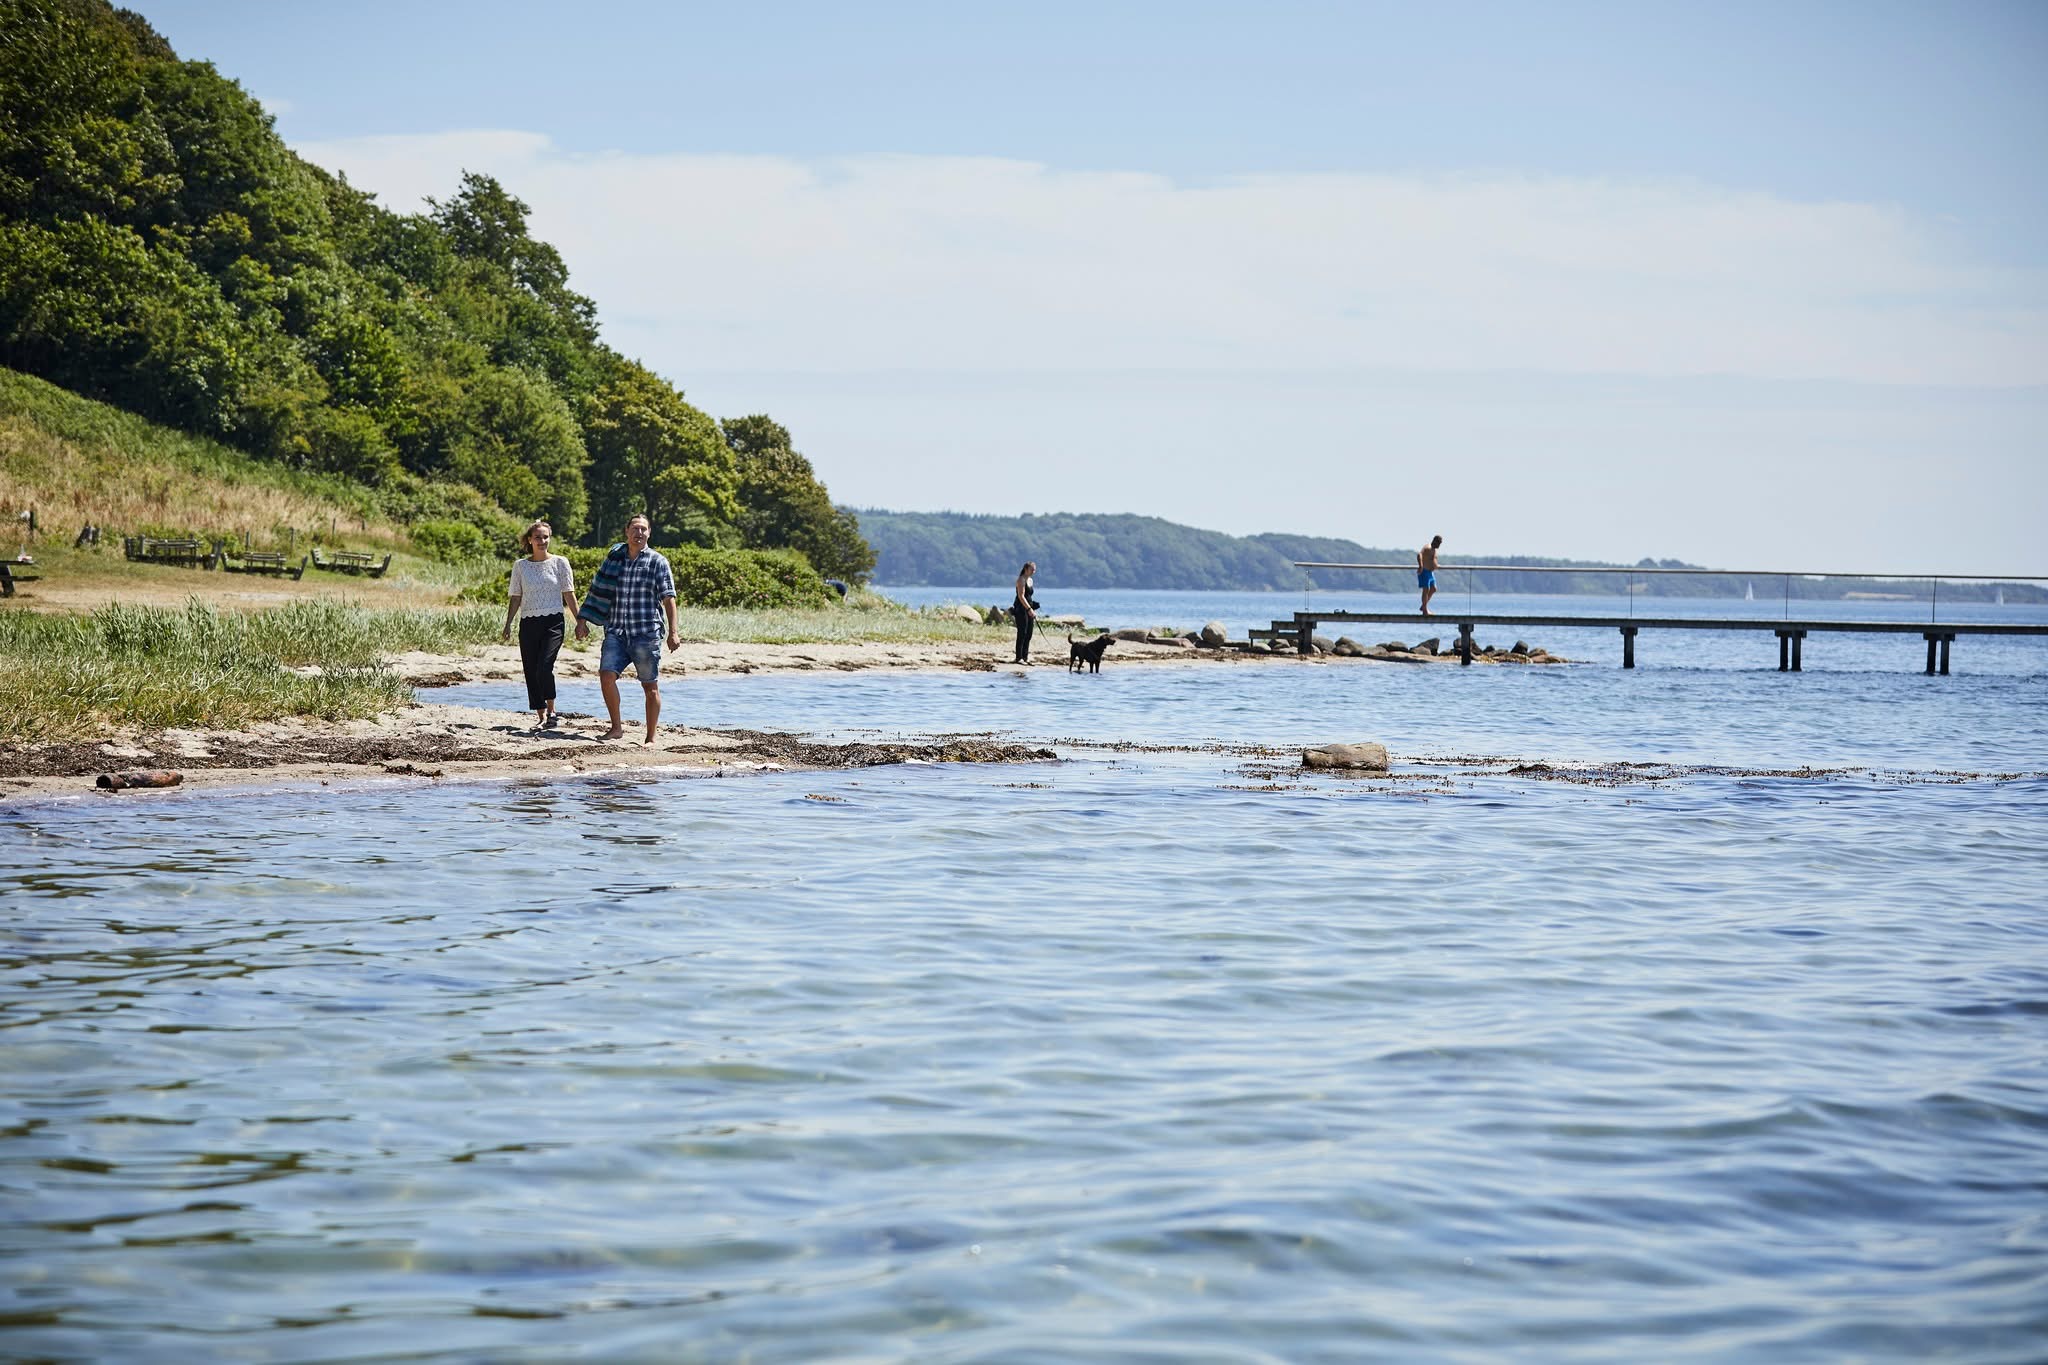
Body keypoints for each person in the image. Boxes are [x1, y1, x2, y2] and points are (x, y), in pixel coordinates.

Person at [574, 513, 681, 743]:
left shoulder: (657, 561)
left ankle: (651, 738)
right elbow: (597, 589)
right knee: (606, 676)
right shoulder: (615, 559)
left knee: (649, 685)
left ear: (649, 533)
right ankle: (616, 728)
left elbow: (669, 598)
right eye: (635, 528)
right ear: (627, 531)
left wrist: (673, 632)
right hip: (617, 631)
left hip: (645, 633)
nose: (639, 533)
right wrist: (582, 620)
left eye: (643, 529)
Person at [501, 519, 580, 729]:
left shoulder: (560, 562)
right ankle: (541, 715)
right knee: (531, 669)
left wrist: (580, 621)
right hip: (528, 623)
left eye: (545, 537)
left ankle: (552, 711)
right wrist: (508, 623)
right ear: (530, 540)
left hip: (553, 622)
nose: (542, 541)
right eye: (538, 537)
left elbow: (569, 595)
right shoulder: (520, 566)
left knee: (545, 666)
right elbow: (515, 597)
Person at [1012, 561, 1039, 664]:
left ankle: (1025, 657)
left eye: (1034, 570)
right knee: (1022, 633)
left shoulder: (1030, 580)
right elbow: (1021, 596)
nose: (1034, 571)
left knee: (1029, 633)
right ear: (1026, 569)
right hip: (1021, 609)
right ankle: (1019, 658)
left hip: (1029, 607)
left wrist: (1033, 606)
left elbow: (1029, 596)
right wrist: (1029, 609)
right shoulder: (1021, 580)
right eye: (1032, 569)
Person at [1418, 534, 1443, 615]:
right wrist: (1421, 566)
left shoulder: (1434, 550)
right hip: (1424, 571)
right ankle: (1425, 610)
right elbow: (1419, 554)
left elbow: (1432, 560)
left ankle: (1423, 606)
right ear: (1434, 541)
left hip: (1430, 573)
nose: (1439, 545)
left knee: (1433, 589)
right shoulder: (1427, 547)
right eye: (1439, 543)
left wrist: (1436, 565)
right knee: (1426, 589)